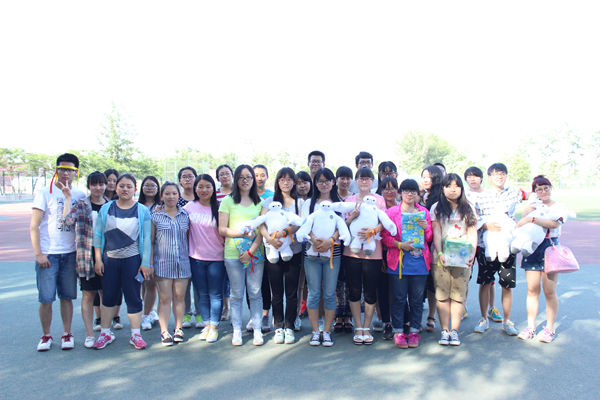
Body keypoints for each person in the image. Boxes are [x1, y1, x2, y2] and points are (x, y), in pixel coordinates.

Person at [31, 153, 86, 351]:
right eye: (62, 169)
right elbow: (34, 226)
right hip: (49, 254)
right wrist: (39, 253)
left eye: (70, 170)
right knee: (46, 298)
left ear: (76, 173)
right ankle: (46, 335)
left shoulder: (79, 195)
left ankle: (67, 333)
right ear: (56, 170)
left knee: (67, 296)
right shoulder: (45, 193)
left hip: (70, 253)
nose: (66, 173)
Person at [92, 173, 152, 350]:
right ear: (116, 188)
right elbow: (98, 235)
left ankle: (136, 335)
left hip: (132, 261)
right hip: (110, 261)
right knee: (109, 296)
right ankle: (105, 333)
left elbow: (146, 238)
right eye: (122, 186)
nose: (125, 189)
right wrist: (98, 259)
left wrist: (145, 262)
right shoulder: (106, 208)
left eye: (129, 186)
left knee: (134, 297)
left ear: (135, 189)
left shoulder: (142, 210)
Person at [382, 179, 432, 349]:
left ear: (418, 194)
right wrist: (399, 245)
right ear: (400, 193)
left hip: (419, 263)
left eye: (413, 191)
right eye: (406, 191)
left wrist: (426, 228)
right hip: (398, 262)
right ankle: (398, 331)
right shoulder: (391, 212)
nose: (409, 194)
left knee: (417, 300)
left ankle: (414, 331)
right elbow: (385, 237)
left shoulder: (424, 212)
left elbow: (429, 237)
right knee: (398, 298)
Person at [517, 176, 568, 343]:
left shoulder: (559, 207)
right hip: (532, 247)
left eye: (546, 188)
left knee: (549, 291)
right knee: (532, 290)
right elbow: (521, 224)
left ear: (551, 188)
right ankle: (530, 327)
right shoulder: (532, 206)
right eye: (539, 189)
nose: (543, 191)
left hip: (550, 247)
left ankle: (549, 329)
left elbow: (554, 224)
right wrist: (527, 212)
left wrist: (532, 218)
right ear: (534, 192)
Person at [60, 171, 108, 349]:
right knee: (88, 294)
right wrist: (67, 198)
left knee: (105, 293)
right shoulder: (81, 204)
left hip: (108, 256)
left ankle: (105, 331)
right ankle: (89, 334)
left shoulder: (111, 205)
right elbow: (66, 221)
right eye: (94, 184)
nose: (98, 188)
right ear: (89, 186)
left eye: (101, 184)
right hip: (86, 256)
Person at [218, 164, 265, 346]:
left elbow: (262, 231)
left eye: (249, 177)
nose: (245, 181)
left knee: (255, 292)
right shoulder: (227, 201)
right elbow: (222, 229)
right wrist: (242, 233)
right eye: (242, 177)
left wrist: (251, 251)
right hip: (233, 254)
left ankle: (257, 329)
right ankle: (237, 330)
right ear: (236, 179)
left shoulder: (260, 202)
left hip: (255, 254)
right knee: (236, 294)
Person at [473, 163, 522, 336]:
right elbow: (474, 218)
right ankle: (483, 318)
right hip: (486, 245)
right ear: (489, 177)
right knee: (485, 282)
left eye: (502, 174)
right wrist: (486, 225)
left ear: (506, 175)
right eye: (495, 174)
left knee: (507, 284)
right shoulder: (481, 196)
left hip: (507, 245)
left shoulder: (513, 193)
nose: (499, 177)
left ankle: (507, 321)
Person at [431, 174, 478, 346]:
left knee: (459, 296)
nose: (453, 189)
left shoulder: (468, 207)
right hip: (441, 258)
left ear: (461, 188)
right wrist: (440, 253)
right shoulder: (436, 207)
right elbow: (436, 232)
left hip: (463, 259)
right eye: (448, 186)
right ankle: (445, 330)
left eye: (456, 186)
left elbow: (472, 232)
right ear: (443, 189)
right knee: (442, 295)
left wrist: (472, 253)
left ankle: (455, 331)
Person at [343, 167, 387, 345]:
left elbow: (384, 222)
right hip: (352, 252)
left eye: (368, 178)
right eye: (361, 178)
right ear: (356, 180)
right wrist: (352, 217)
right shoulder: (349, 200)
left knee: (370, 290)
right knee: (354, 289)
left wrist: (373, 231)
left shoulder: (379, 200)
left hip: (373, 252)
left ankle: (367, 327)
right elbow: (343, 224)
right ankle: (358, 326)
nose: (364, 181)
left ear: (372, 181)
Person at [301, 168, 342, 347]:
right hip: (311, 253)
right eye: (320, 181)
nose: (324, 184)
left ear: (333, 182)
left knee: (330, 293)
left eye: (327, 181)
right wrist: (314, 240)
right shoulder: (308, 204)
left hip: (332, 254)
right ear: (315, 183)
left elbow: (342, 226)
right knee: (313, 293)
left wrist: (330, 241)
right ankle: (315, 331)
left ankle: (327, 331)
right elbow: (304, 225)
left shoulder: (339, 203)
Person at [260, 168, 302, 344]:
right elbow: (261, 223)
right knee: (276, 291)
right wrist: (270, 239)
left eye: (289, 179)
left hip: (294, 250)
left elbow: (299, 223)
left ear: (294, 182)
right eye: (282, 179)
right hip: (272, 251)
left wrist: (283, 233)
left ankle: (289, 325)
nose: (286, 182)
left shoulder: (299, 202)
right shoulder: (269, 201)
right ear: (277, 182)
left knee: (291, 292)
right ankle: (278, 326)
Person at [185, 174, 225, 343]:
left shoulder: (220, 207)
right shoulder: (188, 208)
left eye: (208, 186)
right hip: (196, 258)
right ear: (195, 189)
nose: (204, 190)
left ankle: (214, 326)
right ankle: (207, 325)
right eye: (200, 186)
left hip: (217, 259)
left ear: (213, 189)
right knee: (201, 293)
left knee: (216, 294)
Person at [151, 182, 191, 346]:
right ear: (162, 196)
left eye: (174, 193)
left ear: (178, 195)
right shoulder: (155, 216)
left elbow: (188, 238)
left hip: (183, 263)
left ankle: (178, 328)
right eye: (167, 193)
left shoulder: (185, 215)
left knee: (180, 297)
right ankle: (164, 331)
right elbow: (151, 242)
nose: (171, 196)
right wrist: (150, 264)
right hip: (162, 264)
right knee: (165, 298)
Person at [464, 166, 502, 323]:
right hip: (469, 241)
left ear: (481, 178)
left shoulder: (490, 194)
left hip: (487, 242)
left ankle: (492, 307)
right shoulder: (464, 195)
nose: (472, 179)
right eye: (469, 177)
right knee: (465, 275)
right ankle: (462, 306)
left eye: (475, 176)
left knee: (489, 278)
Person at [177, 166, 202, 329]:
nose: (187, 179)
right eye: (184, 176)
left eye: (190, 176)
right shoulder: (176, 199)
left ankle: (200, 313)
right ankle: (186, 313)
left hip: (200, 248)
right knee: (184, 284)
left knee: (199, 283)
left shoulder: (202, 198)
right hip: (181, 248)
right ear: (180, 180)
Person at [99, 168, 123, 328]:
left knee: (117, 286)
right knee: (99, 286)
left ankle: (116, 315)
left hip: (118, 251)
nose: (111, 183)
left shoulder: (119, 201)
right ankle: (99, 317)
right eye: (109, 180)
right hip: (101, 250)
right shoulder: (100, 203)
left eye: (115, 181)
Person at [421, 165, 443, 332]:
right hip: (417, 245)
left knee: (433, 283)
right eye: (423, 177)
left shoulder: (440, 198)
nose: (425, 180)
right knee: (421, 282)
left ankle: (432, 315)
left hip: (433, 244)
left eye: (428, 177)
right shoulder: (420, 195)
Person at [377, 176, 399, 340]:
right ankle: (386, 322)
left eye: (392, 188)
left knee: (398, 290)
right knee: (383, 289)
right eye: (386, 188)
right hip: (381, 252)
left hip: (400, 253)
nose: (389, 191)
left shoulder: (402, 207)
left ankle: (400, 321)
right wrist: (382, 257)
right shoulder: (378, 207)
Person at [252, 164, 274, 332]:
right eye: (256, 175)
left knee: (266, 282)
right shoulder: (246, 195)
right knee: (252, 284)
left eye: (262, 175)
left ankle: (265, 314)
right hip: (247, 246)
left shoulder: (272, 197)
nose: (259, 178)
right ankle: (253, 316)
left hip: (266, 244)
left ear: (267, 177)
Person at [333, 166, 354, 333]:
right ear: (336, 180)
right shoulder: (332, 198)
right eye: (342, 178)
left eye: (348, 178)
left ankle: (348, 316)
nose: (345, 181)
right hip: (333, 243)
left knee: (349, 279)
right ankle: (338, 316)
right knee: (337, 281)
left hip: (352, 244)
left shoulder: (354, 199)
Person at [139, 176, 161, 331]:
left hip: (155, 247)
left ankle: (146, 314)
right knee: (142, 282)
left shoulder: (161, 206)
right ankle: (149, 310)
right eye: (146, 185)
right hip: (138, 247)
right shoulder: (136, 205)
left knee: (151, 282)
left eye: (153, 186)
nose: (149, 188)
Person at [215, 164, 233, 320]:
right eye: (221, 174)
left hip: (236, 238)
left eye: (227, 173)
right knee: (222, 278)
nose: (225, 176)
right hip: (218, 239)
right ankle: (225, 307)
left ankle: (233, 307)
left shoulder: (238, 193)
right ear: (218, 178)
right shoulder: (214, 194)